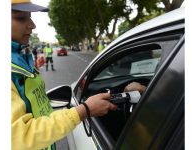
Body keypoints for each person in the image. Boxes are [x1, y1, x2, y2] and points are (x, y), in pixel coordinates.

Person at [11, 1, 117, 150]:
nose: (32, 25)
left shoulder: (18, 57)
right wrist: (84, 111)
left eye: (30, 17)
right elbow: (17, 138)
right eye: (21, 18)